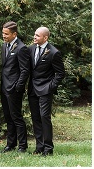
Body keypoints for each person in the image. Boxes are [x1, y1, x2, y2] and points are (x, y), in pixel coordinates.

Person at [28, 27, 65, 156]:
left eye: (37, 35)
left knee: (44, 117)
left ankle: (48, 148)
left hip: (45, 90)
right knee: (36, 118)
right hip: (32, 89)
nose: (34, 37)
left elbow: (60, 74)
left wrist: (49, 87)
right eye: (34, 34)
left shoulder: (54, 52)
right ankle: (39, 146)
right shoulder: (31, 49)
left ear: (45, 38)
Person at [0, 21, 31, 153]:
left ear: (14, 34)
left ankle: (22, 145)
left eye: (6, 34)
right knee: (8, 117)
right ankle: (10, 144)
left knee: (16, 117)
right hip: (4, 87)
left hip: (14, 89)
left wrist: (17, 87)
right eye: (3, 33)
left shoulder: (21, 48)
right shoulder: (4, 46)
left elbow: (25, 70)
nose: (4, 36)